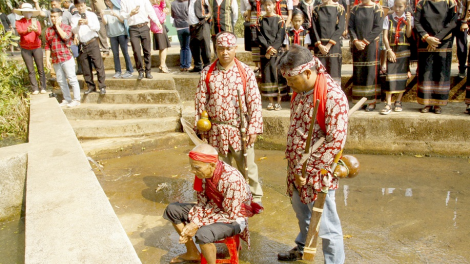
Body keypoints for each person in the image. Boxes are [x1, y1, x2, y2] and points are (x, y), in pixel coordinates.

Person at [276, 45, 348, 263]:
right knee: (302, 214)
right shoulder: (300, 91)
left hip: (318, 173)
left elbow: (335, 141)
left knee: (326, 224)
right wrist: (296, 169)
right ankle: (302, 248)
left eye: (291, 79)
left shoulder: (333, 97)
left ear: (308, 72)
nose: (288, 85)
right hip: (297, 169)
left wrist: (310, 171)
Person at [195, 32, 264, 204]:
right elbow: (200, 103)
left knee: (247, 167)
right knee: (219, 169)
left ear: (235, 49)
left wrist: (253, 128)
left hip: (240, 130)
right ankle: (224, 197)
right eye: (221, 49)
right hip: (216, 130)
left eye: (228, 48)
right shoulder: (207, 73)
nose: (225, 52)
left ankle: (254, 197)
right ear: (216, 50)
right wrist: (202, 131)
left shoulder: (245, 72)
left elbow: (255, 101)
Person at [163, 144, 261, 264]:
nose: (193, 171)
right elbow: (202, 202)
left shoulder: (232, 179)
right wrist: (195, 222)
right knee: (172, 210)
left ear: (212, 165)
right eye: (192, 167)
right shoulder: (203, 174)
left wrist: (196, 224)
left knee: (203, 234)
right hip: (213, 209)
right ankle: (192, 252)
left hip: (234, 218)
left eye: (196, 168)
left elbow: (230, 214)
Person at [414, 0, 457, 114]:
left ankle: (438, 103)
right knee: (426, 71)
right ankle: (427, 102)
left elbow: (453, 22)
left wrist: (436, 39)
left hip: (443, 41)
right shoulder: (422, 3)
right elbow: (417, 22)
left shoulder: (449, 2)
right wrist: (427, 38)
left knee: (441, 70)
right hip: (426, 41)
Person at [348, 0, 384, 111]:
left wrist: (365, 41)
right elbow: (350, 27)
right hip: (357, 45)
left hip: (371, 45)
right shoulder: (355, 9)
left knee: (370, 72)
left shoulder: (377, 9)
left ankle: (371, 101)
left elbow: (378, 27)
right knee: (359, 72)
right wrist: (355, 41)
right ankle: (360, 100)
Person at [380, 0, 412, 115]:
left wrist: (408, 22)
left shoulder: (409, 18)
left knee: (402, 76)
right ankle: (388, 102)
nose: (397, 9)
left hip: (404, 50)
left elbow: (408, 35)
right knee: (390, 75)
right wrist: (389, 50)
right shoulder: (388, 18)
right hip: (392, 49)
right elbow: (385, 36)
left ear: (405, 6)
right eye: (396, 6)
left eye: (400, 7)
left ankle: (398, 100)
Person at [45, 8, 81, 108]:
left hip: (66, 57)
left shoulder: (67, 27)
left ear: (60, 17)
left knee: (72, 78)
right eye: (51, 16)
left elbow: (65, 37)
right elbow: (47, 45)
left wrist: (57, 26)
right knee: (61, 80)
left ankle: (77, 99)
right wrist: (47, 59)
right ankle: (67, 99)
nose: (53, 18)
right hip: (56, 59)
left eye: (55, 16)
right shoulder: (48, 30)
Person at [71, 0, 107, 95]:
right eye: (78, 6)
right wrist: (78, 25)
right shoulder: (74, 18)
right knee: (85, 67)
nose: (80, 8)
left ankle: (102, 86)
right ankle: (90, 86)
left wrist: (88, 23)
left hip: (92, 42)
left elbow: (97, 28)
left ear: (85, 5)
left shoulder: (91, 15)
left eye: (82, 5)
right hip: (82, 44)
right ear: (75, 6)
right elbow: (74, 31)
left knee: (98, 66)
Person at [121, 0, 162, 80]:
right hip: (133, 28)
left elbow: (150, 11)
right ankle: (140, 71)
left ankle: (148, 71)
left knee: (147, 50)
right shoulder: (124, 1)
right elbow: (122, 15)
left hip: (144, 26)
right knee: (136, 51)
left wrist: (157, 22)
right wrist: (130, 14)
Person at [257, 0, 287, 111]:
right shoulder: (261, 20)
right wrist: (268, 49)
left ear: (274, 5)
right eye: (266, 5)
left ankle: (278, 102)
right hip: (265, 53)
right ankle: (270, 101)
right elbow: (259, 36)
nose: (268, 7)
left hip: (277, 53)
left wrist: (272, 49)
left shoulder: (280, 20)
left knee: (278, 75)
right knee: (267, 76)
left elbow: (280, 36)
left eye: (270, 5)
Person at [15, 3, 46, 95]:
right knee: (30, 69)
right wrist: (27, 30)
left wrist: (35, 30)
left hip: (36, 47)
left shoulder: (36, 22)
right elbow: (20, 31)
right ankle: (35, 88)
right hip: (25, 48)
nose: (28, 13)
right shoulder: (19, 22)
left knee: (40, 68)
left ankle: (43, 87)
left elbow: (39, 32)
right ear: (22, 13)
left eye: (29, 11)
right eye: (26, 12)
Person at [312, 0, 346, 85]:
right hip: (320, 47)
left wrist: (328, 45)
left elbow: (340, 28)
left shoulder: (339, 9)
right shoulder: (316, 9)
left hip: (333, 47)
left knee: (334, 74)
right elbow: (314, 28)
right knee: (320, 74)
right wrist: (319, 45)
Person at [101, 0, 134, 79]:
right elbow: (105, 23)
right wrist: (102, 16)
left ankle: (129, 70)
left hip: (122, 33)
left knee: (125, 52)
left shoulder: (119, 9)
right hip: (112, 35)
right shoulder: (106, 11)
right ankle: (118, 71)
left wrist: (116, 15)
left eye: (109, 1)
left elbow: (123, 20)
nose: (108, 3)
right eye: (106, 1)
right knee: (115, 54)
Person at [187, 0, 212, 73]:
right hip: (192, 26)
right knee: (193, 46)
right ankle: (197, 66)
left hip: (202, 25)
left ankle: (207, 67)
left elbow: (210, 11)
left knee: (205, 46)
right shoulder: (189, 1)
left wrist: (205, 19)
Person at [171, 0, 192, 71]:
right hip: (187, 26)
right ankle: (188, 65)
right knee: (188, 47)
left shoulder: (173, 3)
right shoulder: (188, 2)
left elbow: (172, 15)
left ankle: (182, 65)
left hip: (179, 27)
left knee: (182, 47)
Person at [150, 0, 171, 73]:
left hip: (159, 29)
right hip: (159, 29)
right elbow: (160, 20)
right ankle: (162, 65)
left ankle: (162, 64)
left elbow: (163, 5)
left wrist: (163, 1)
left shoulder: (157, 7)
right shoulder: (155, 9)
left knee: (163, 48)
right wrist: (164, 13)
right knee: (163, 48)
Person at [247, 0, 264, 74]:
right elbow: (249, 10)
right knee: (255, 43)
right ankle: (257, 66)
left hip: (264, 19)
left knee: (263, 42)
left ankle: (263, 66)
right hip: (254, 21)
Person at [454, 0, 469, 78]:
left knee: (461, 45)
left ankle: (462, 68)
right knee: (445, 45)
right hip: (449, 21)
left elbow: (469, 5)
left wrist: (465, 21)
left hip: (461, 20)